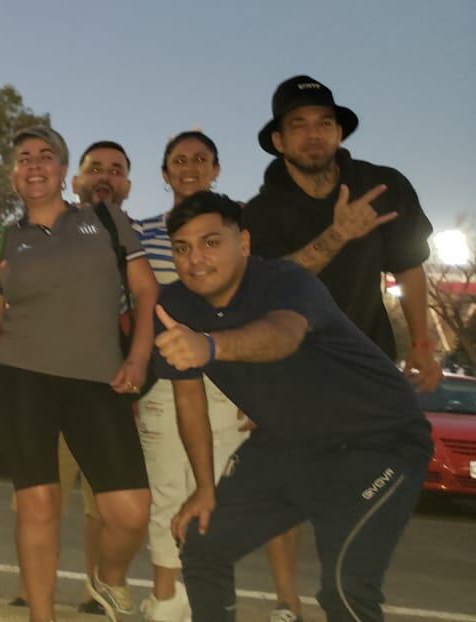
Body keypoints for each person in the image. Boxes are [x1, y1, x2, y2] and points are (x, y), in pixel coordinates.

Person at [155, 191, 431, 622]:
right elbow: (188, 399)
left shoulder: (286, 282)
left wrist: (209, 346)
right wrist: (205, 487)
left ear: (243, 243)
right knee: (202, 540)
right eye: (182, 248)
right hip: (288, 443)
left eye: (211, 242)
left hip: (379, 441)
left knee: (344, 588)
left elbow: (281, 334)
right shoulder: (174, 306)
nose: (196, 259)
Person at [0, 126, 157, 622]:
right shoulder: (4, 238)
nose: (34, 164)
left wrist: (137, 358)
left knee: (132, 512)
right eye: (24, 158)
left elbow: (146, 292)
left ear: (63, 172)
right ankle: (41, 616)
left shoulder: (105, 219)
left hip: (98, 377)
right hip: (20, 375)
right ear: (14, 175)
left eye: (45, 156)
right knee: (39, 505)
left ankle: (109, 577)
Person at [129, 132, 254, 621]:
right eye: (178, 160)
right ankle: (164, 600)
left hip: (226, 377)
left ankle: (209, 599)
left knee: (214, 496)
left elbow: (254, 309)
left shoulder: (236, 225)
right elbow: (134, 302)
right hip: (166, 373)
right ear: (164, 174)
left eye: (200, 159)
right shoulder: (141, 233)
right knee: (167, 489)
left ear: (216, 168)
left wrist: (254, 389)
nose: (189, 167)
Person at [244, 75, 437, 390]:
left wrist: (421, 345)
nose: (314, 134)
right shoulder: (258, 213)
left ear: (339, 132)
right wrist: (337, 235)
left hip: (372, 366)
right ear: (279, 141)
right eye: (299, 125)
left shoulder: (382, 186)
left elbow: (408, 265)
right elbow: (269, 287)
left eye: (324, 123)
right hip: (294, 377)